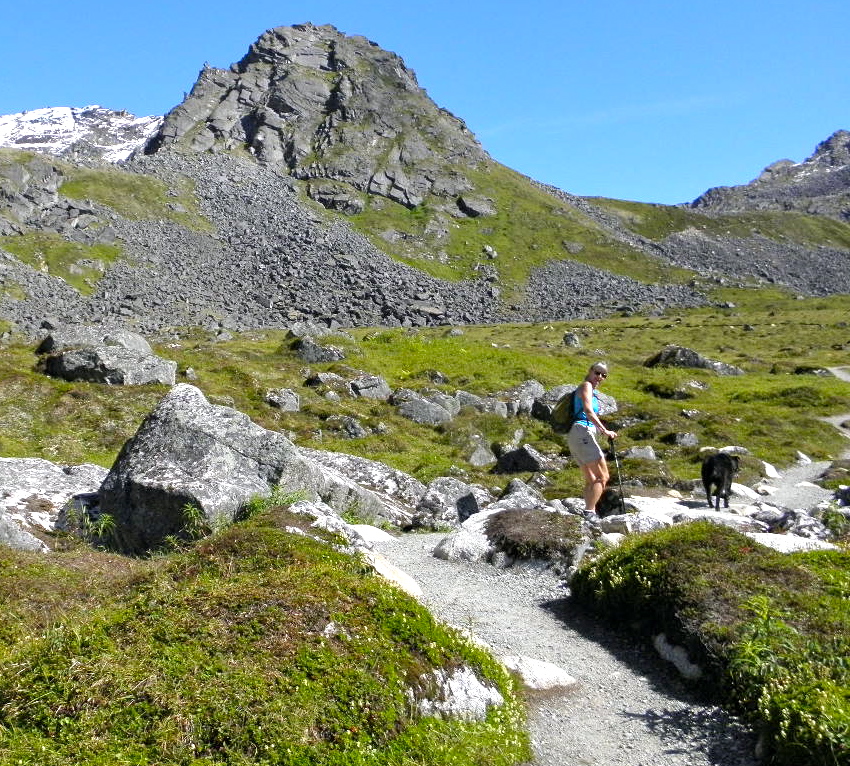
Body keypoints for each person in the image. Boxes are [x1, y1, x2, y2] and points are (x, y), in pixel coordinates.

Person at [567, 362, 618, 515]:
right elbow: (588, 411)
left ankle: (587, 512)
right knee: (603, 476)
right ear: (590, 371)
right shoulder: (586, 386)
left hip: (575, 434)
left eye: (604, 375)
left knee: (592, 478)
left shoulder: (588, 389)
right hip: (583, 431)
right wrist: (605, 430)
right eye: (597, 373)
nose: (600, 377)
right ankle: (590, 513)